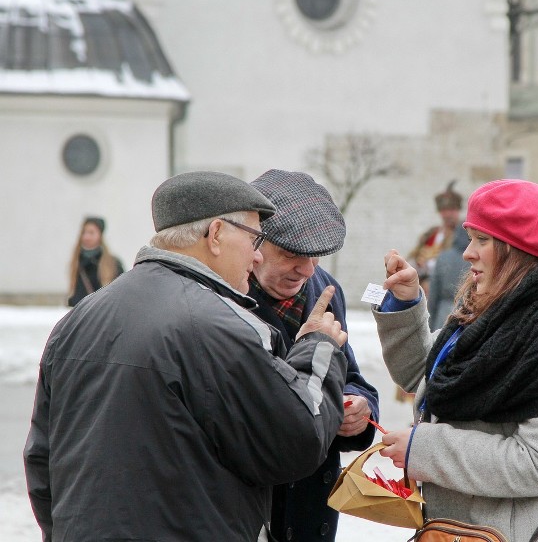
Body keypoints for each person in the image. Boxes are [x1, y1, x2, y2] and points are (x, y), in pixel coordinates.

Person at [24, 171, 349, 542]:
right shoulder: (221, 327)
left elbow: (42, 460)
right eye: (255, 239)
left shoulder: (79, 319)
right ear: (216, 235)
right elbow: (297, 440)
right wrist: (319, 346)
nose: (257, 253)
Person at [376, 179, 538, 542]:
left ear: (518, 249)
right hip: (462, 531)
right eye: (470, 237)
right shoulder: (488, 308)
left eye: (482, 240)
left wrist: (423, 448)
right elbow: (422, 376)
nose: (468, 252)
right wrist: (407, 303)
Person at [248, 169, 380, 542]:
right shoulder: (222, 299)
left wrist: (359, 409)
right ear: (253, 246)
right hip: (254, 510)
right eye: (291, 254)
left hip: (310, 508)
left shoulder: (325, 288)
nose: (306, 270)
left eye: (316, 256)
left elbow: (349, 372)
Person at [408, 180, 463, 296]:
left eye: (452, 210)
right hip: (424, 287)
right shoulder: (431, 234)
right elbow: (415, 258)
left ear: (458, 210)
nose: (448, 214)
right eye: (444, 210)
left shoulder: (464, 235)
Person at [67, 216, 124, 306]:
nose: (86, 237)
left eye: (91, 233)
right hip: (81, 314)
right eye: (84, 232)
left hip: (102, 314)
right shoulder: (77, 262)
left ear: (100, 235)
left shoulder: (113, 263)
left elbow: (120, 293)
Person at [427, 222, 469, 330]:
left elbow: (433, 293)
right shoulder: (477, 259)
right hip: (468, 314)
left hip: (443, 313)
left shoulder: (443, 257)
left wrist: (430, 322)